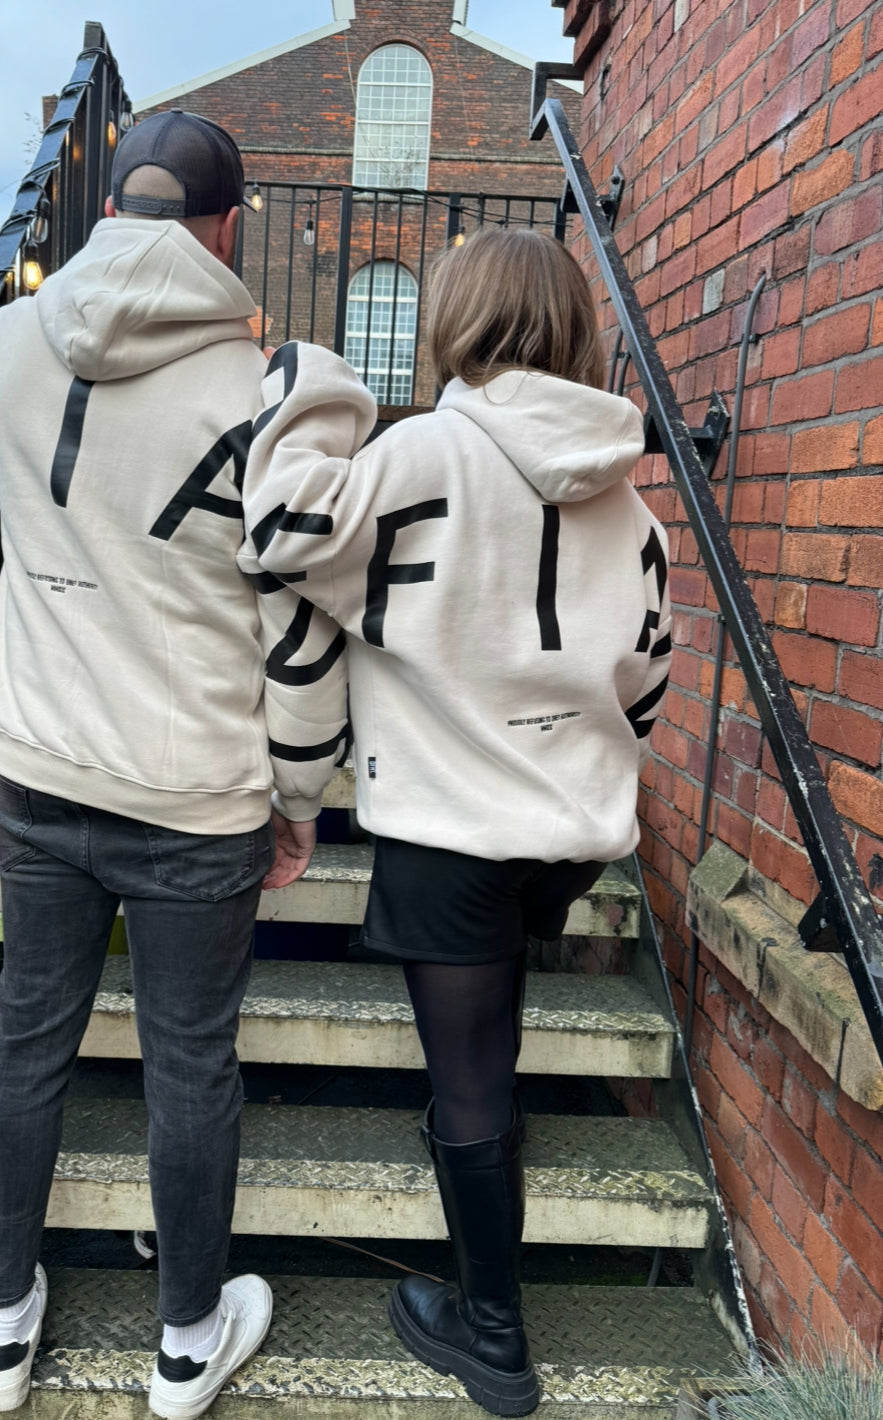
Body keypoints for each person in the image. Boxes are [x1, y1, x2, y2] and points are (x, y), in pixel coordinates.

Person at [0, 111, 351, 1417]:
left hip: (41, 777)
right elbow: (300, 626)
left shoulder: (8, 348)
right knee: (190, 1065)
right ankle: (180, 1349)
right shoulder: (272, 393)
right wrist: (299, 797)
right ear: (225, 229)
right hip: (197, 795)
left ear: (106, 211)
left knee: (25, 1039)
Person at [240, 226, 670, 1417]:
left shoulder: (420, 453)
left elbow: (279, 536)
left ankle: (493, 1336)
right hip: (569, 827)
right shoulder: (631, 498)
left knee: (470, 1079)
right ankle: (485, 1286)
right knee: (497, 1053)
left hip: (450, 830)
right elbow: (649, 678)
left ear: (456, 322)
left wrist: (306, 399)